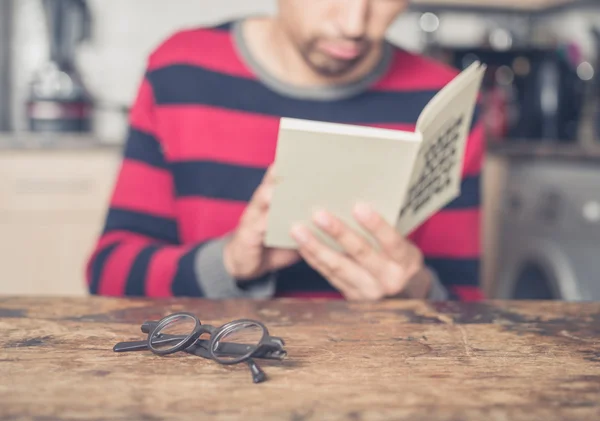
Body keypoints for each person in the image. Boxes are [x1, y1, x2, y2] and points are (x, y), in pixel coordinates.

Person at [85, 0, 485, 301]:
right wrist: (229, 264)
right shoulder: (179, 73)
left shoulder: (443, 103)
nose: (353, 25)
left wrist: (415, 291)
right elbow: (108, 275)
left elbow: (468, 312)